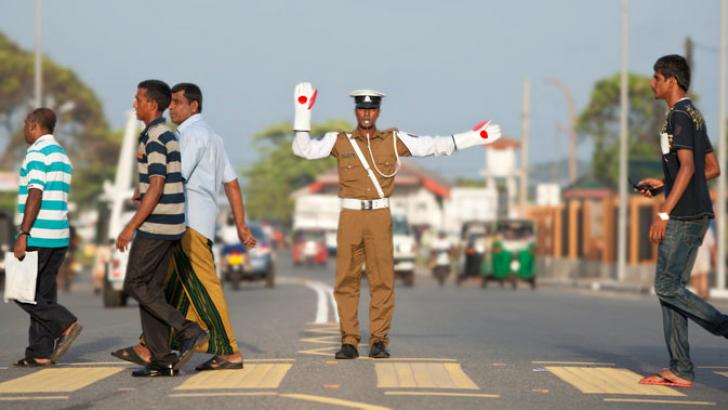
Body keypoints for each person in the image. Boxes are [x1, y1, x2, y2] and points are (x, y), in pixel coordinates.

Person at [291, 82, 502, 359]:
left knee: (382, 280)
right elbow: (302, 149)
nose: (366, 114)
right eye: (362, 108)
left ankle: (379, 340)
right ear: (356, 111)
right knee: (346, 280)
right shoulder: (339, 140)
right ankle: (349, 341)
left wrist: (473, 137)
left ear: (378, 112)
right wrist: (302, 111)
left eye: (372, 109)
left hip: (379, 215)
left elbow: (434, 146)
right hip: (350, 215)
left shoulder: (393, 140)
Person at [113, 83, 256, 371]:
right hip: (198, 221)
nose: (172, 107)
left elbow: (166, 177)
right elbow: (232, 183)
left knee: (202, 286)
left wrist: (140, 199)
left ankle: (228, 350)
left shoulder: (188, 136)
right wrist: (240, 223)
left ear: (194, 107)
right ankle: (151, 346)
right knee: (166, 286)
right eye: (172, 102)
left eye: (178, 102)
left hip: (185, 221)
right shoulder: (213, 137)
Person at [636, 55, 728, 388]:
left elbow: (689, 167)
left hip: (684, 215)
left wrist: (664, 211)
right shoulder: (693, 114)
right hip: (695, 211)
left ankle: (724, 327)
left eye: (656, 77)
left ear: (671, 81)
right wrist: (665, 181)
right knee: (670, 289)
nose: (652, 82)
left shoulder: (678, 115)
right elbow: (712, 168)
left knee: (665, 285)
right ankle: (680, 368)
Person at [117, 80, 209, 377]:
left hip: (157, 225)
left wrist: (131, 226)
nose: (134, 104)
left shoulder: (155, 136)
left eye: (138, 99)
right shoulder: (164, 134)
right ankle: (162, 358)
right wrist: (140, 189)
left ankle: (187, 329)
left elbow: (157, 185)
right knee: (151, 289)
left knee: (134, 284)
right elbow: (163, 179)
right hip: (172, 222)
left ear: (151, 105)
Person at [12, 108, 82, 367]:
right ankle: (40, 352)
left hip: (38, 234)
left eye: (24, 125)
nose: (23, 131)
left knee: (19, 291)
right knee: (43, 294)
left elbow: (35, 193)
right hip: (59, 235)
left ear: (33, 125)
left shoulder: (36, 152)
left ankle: (65, 323)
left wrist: (23, 233)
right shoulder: (61, 154)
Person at [689, 223, 716, 299]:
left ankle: (697, 295)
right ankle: (703, 294)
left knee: (695, 276)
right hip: (703, 256)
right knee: (702, 276)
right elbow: (712, 246)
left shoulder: (690, 229)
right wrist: (714, 257)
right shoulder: (707, 230)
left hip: (693, 257)